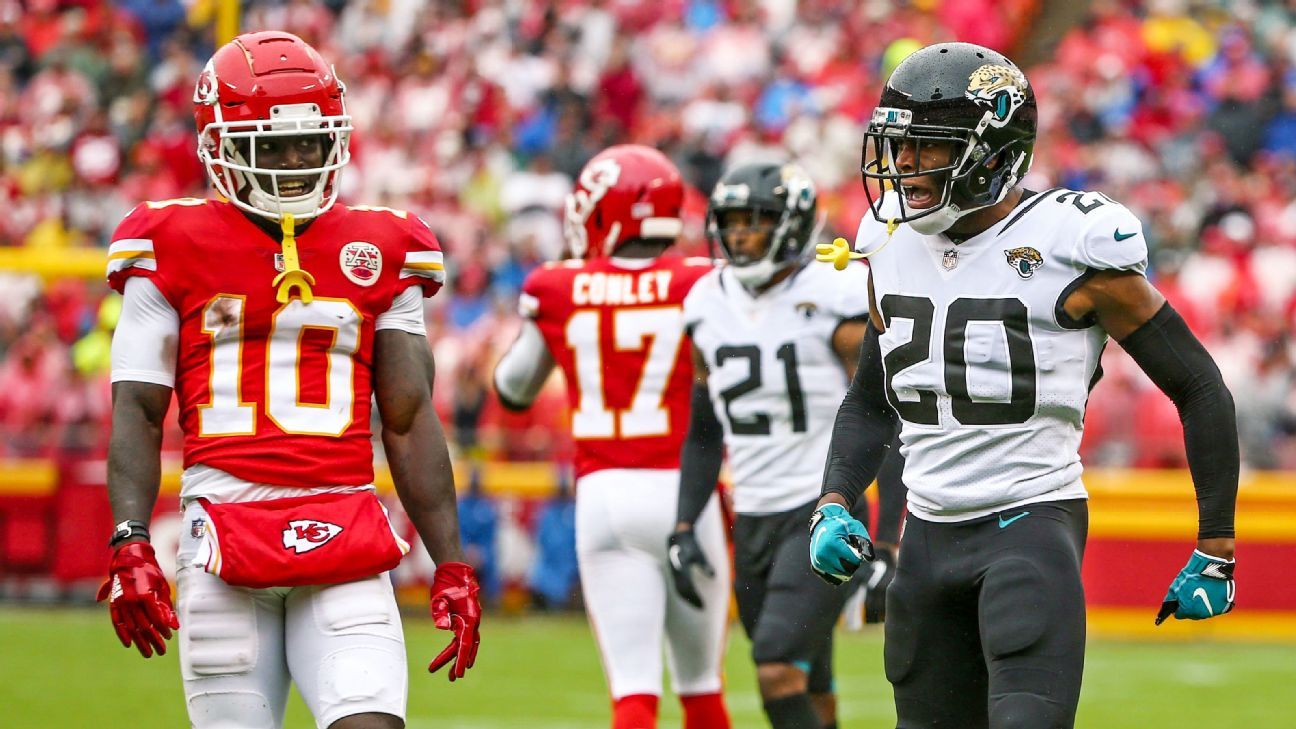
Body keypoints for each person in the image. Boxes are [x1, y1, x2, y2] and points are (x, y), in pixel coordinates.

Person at [808, 43, 1239, 729]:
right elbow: (871, 397)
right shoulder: (887, 239)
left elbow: (1198, 384)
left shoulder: (1073, 243)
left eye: (928, 146)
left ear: (992, 154)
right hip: (926, 536)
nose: (905, 165)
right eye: (899, 145)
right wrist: (833, 501)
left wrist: (1215, 544)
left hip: (1029, 523)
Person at [98, 31, 481, 729]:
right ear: (218, 144)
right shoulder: (168, 240)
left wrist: (451, 562)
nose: (295, 161)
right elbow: (140, 409)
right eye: (272, 146)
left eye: (308, 142)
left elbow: (408, 416)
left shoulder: (386, 243)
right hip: (223, 536)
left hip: (345, 533)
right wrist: (130, 537)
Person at [493, 145, 731, 729]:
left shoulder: (558, 286)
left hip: (605, 495)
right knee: (702, 689)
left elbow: (512, 389)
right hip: (688, 493)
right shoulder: (704, 281)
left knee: (633, 694)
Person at [669, 161, 898, 729]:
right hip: (751, 514)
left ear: (792, 224)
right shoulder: (704, 301)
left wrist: (889, 540)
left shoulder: (836, 291)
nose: (740, 235)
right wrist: (684, 523)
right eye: (731, 222)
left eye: (756, 221)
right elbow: (704, 429)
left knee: (776, 668)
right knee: (810, 679)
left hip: (819, 509)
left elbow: (882, 413)